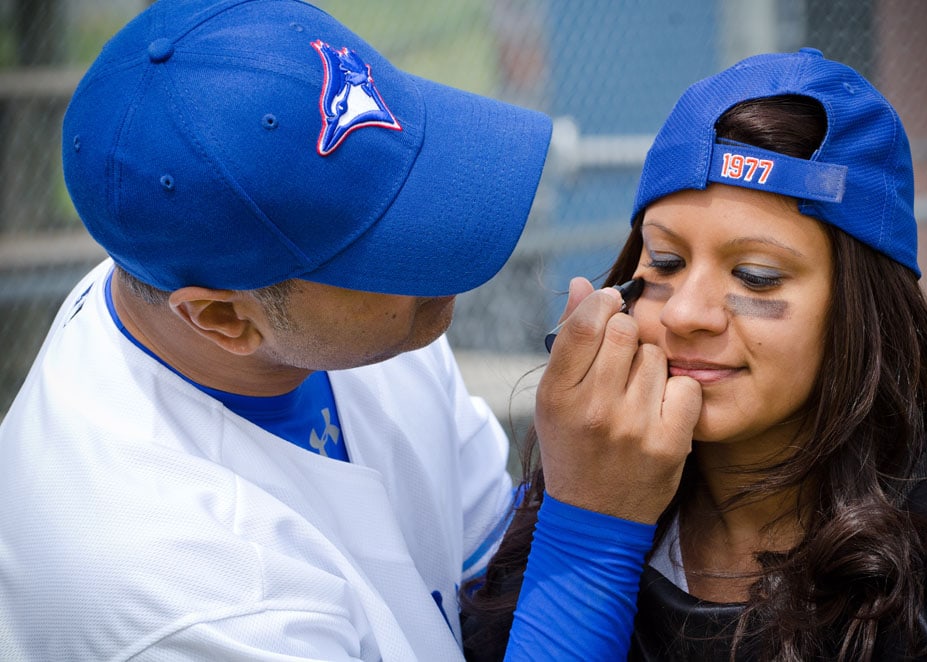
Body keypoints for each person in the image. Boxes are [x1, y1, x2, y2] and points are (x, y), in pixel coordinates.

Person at [0, 0, 557, 659]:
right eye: (380, 247)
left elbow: (481, 573)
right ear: (223, 319)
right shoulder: (182, 588)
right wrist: (594, 528)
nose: (444, 246)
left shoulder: (231, 273)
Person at [461, 48, 927, 661]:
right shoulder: (566, 509)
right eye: (664, 261)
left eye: (756, 275)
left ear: (864, 311)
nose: (687, 313)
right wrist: (584, 525)